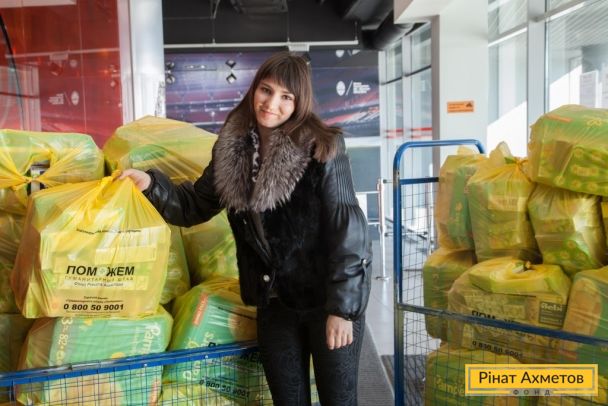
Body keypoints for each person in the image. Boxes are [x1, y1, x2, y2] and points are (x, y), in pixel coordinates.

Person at [120, 51, 372, 406]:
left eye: (286, 96)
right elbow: (195, 204)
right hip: (275, 302)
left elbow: (348, 229)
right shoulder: (232, 148)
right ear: (254, 89)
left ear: (299, 103)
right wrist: (150, 185)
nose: (272, 103)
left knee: (339, 400)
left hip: (327, 297)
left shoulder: (322, 147)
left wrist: (343, 310)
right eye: (266, 90)